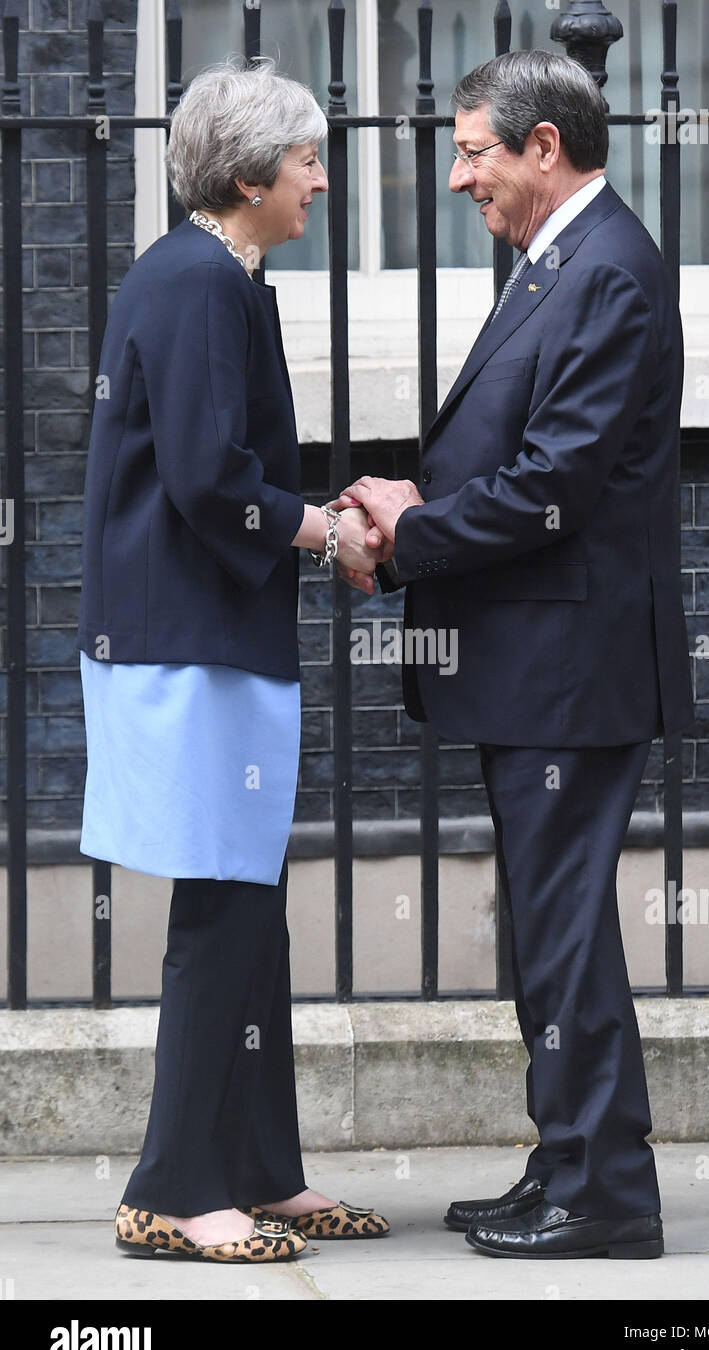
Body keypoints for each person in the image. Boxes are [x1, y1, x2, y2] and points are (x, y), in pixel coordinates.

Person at [338, 50, 694, 1260]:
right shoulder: (562, 263)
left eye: (472, 149)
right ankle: (566, 1158)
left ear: (546, 147)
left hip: (573, 665)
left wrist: (414, 529)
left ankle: (606, 1193)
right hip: (541, 658)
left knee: (563, 926)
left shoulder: (608, 271)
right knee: (549, 923)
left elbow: (557, 483)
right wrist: (418, 499)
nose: (455, 176)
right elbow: (521, 447)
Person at [77, 55, 388, 1264]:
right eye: (307, 158)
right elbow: (210, 479)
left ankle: (259, 1168)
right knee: (219, 908)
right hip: (187, 641)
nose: (320, 178)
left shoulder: (216, 275)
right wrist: (326, 532)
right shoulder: (202, 280)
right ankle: (169, 1186)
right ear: (252, 172)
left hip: (207, 633)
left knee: (251, 908)